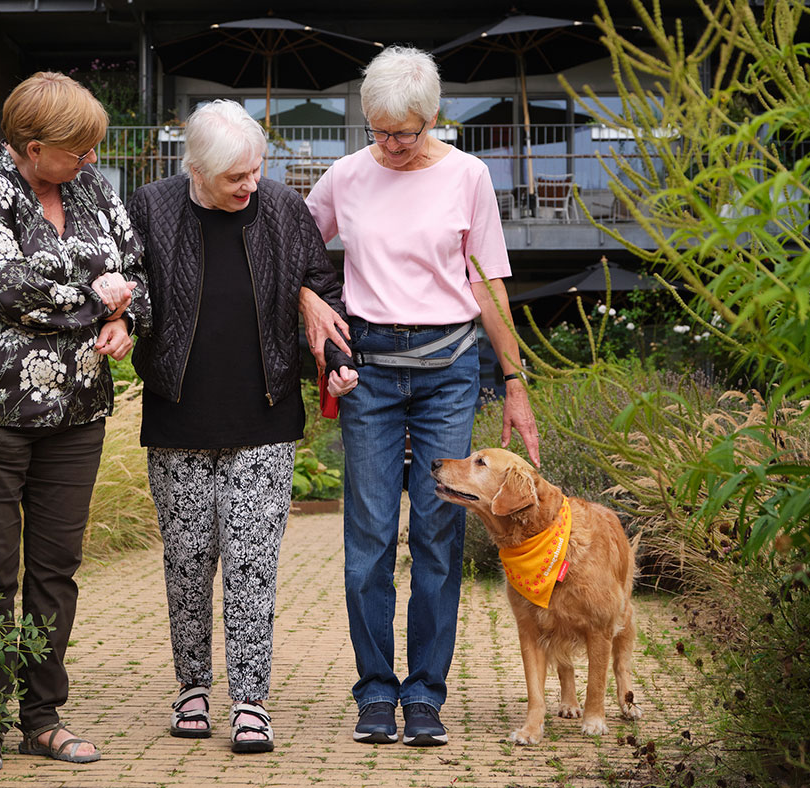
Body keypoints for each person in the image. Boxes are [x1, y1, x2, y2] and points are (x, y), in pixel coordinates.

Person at [304, 46, 542, 748]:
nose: (391, 146)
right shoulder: (346, 175)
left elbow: (486, 283)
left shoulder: (468, 175)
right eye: (378, 132)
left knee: (438, 540)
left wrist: (515, 382)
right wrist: (309, 305)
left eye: (404, 133)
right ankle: (377, 692)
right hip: (369, 374)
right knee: (369, 540)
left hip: (447, 374)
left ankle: (427, 695)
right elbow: (292, 248)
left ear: (432, 119)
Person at [0, 71, 150, 771]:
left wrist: (128, 321)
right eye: (76, 151)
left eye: (91, 152)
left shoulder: (89, 187)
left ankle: (42, 716)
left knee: (57, 570)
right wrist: (96, 299)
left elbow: (133, 262)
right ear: (30, 145)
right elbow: (6, 289)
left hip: (77, 410)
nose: (88, 163)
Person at [127, 99, 358, 754]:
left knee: (254, 562)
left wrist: (337, 359)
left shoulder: (285, 209)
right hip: (178, 417)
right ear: (196, 170)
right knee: (188, 562)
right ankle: (192, 687)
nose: (250, 186)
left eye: (256, 171)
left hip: (264, 418)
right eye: (236, 177)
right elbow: (134, 288)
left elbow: (321, 288)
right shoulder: (152, 206)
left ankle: (250, 701)